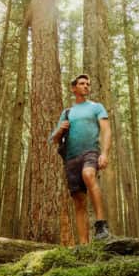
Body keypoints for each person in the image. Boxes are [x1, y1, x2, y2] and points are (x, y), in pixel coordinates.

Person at [49, 74, 112, 243]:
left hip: (91, 151)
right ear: (74, 88)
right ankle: (84, 245)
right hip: (70, 158)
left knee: (89, 175)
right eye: (82, 84)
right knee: (78, 201)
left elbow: (106, 130)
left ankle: (101, 225)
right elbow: (53, 139)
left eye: (88, 84)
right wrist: (60, 129)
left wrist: (105, 153)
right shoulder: (67, 112)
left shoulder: (96, 107)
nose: (86, 86)